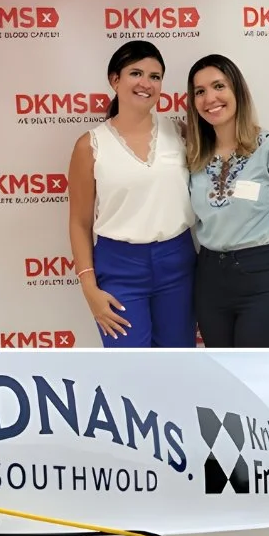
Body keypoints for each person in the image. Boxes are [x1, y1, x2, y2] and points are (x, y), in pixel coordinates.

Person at [67, 40, 197, 348]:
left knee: (178, 360)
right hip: (119, 267)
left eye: (155, 76)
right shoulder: (90, 145)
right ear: (115, 80)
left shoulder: (180, 132)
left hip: (177, 263)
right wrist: (88, 287)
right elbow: (79, 222)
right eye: (136, 73)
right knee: (129, 366)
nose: (146, 83)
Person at [184, 54, 269, 348]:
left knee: (257, 370)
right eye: (200, 91)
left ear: (237, 91)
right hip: (209, 281)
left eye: (219, 86)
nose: (210, 98)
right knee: (225, 372)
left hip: (262, 280)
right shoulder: (194, 156)